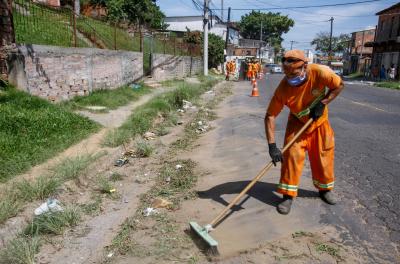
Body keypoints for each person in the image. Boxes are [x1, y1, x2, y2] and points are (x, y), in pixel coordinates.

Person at [264, 50, 344, 215]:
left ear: (305, 66)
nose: (291, 78)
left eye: (294, 74)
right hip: (297, 124)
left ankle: (324, 190)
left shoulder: (320, 72)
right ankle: (288, 195)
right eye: (287, 75)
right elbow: (270, 115)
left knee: (324, 157)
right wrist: (272, 146)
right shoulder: (283, 89)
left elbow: (339, 85)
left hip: (319, 124)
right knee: (291, 157)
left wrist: (323, 103)